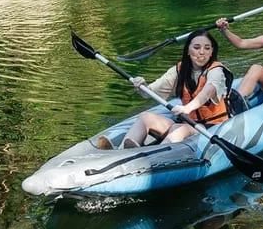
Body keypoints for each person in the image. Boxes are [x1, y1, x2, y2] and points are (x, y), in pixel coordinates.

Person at [96, 30, 231, 149]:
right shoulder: (179, 70)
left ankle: (150, 157)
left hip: (212, 127)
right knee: (145, 117)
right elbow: (151, 92)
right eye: (196, 47)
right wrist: (142, 86)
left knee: (180, 129)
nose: (202, 52)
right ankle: (121, 151)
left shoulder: (216, 71)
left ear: (212, 51)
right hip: (187, 123)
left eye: (207, 48)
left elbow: (208, 92)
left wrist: (187, 108)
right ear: (188, 51)